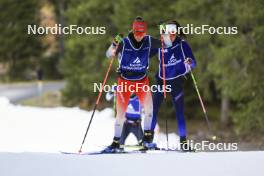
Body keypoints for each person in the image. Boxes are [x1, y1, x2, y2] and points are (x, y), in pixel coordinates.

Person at [105, 16, 168, 152]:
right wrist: (115, 43)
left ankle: (147, 139)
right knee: (120, 115)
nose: (140, 36)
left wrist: (163, 31)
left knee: (149, 110)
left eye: (142, 33)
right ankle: (115, 143)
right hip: (125, 82)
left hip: (141, 81)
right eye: (137, 33)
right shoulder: (125, 42)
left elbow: (167, 44)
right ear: (133, 31)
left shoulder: (149, 41)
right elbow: (109, 54)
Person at [150, 20, 196, 151]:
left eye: (173, 34)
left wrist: (190, 62)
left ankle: (183, 141)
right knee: (153, 110)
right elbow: (145, 55)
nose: (171, 37)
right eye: (168, 34)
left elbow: (194, 64)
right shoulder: (159, 44)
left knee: (180, 111)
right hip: (161, 80)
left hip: (176, 81)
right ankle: (148, 139)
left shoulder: (182, 45)